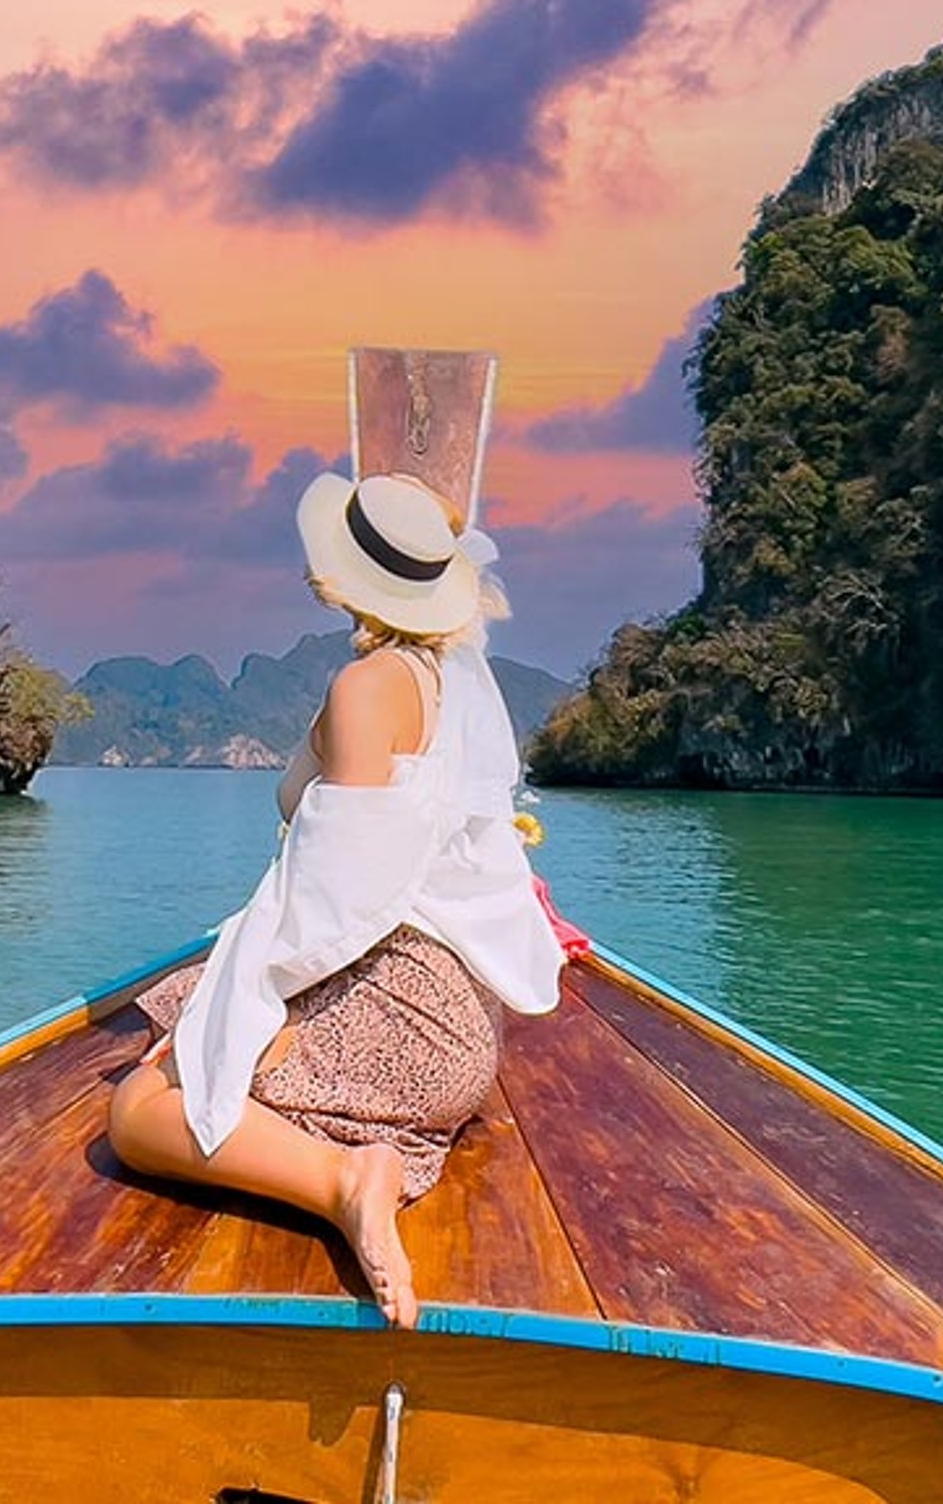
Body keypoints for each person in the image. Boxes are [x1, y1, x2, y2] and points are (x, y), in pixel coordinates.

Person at [102, 469, 565, 1329]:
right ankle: (347, 1157)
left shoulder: (366, 690)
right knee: (189, 1032)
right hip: (454, 1024)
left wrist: (250, 1013)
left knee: (141, 1110)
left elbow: (341, 891)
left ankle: (346, 1180)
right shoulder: (453, 682)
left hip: (398, 1008)